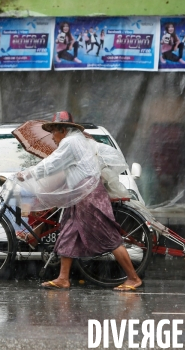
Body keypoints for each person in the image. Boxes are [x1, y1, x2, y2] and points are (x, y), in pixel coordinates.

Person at [15, 111, 143, 291]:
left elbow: (53, 163)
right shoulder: (78, 140)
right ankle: (63, 278)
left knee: (108, 235)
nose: (52, 137)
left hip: (89, 194)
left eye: (53, 132)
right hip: (80, 194)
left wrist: (29, 173)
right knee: (69, 232)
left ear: (62, 129)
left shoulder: (70, 142)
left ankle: (133, 278)